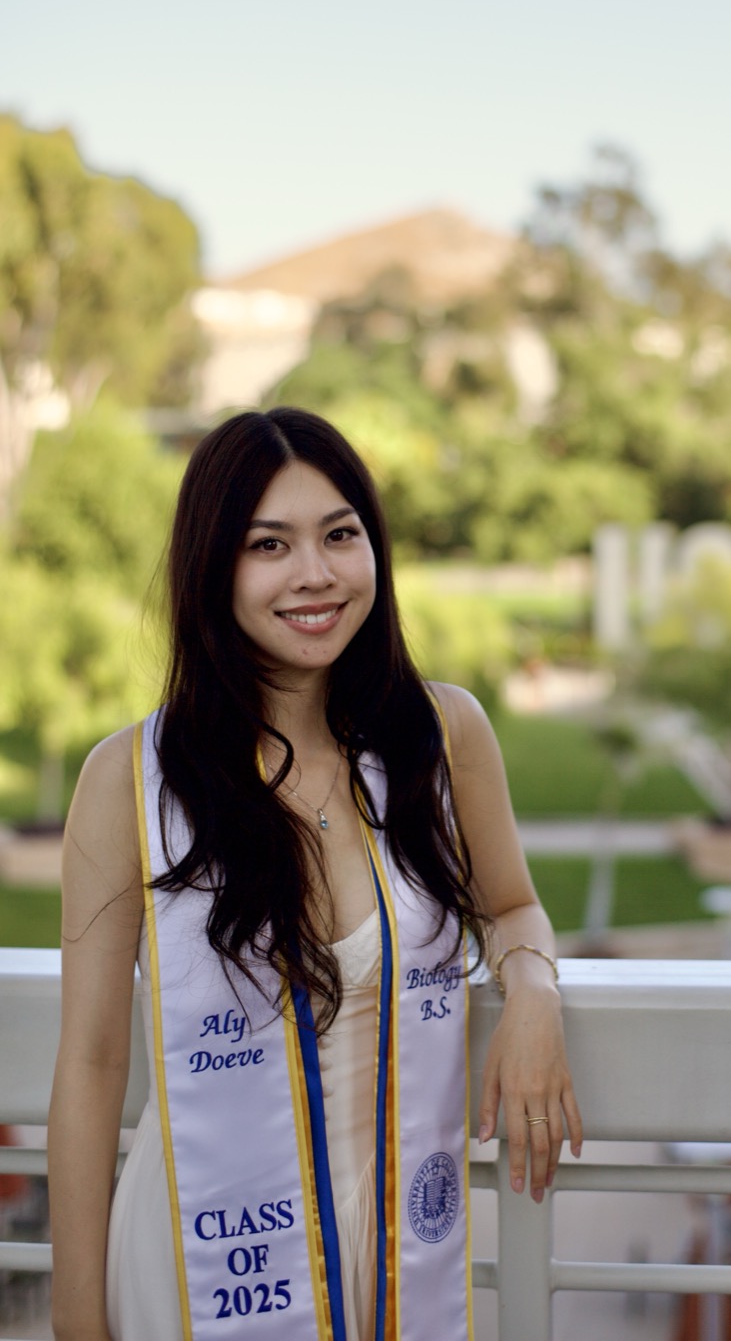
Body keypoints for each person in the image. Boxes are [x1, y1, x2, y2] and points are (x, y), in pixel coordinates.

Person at [48, 406, 582, 1341]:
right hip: (203, 1255)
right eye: (270, 545)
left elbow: (513, 906)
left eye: (341, 535)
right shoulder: (131, 782)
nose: (316, 574)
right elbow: (92, 1063)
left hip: (394, 1239)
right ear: (213, 569)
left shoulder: (441, 736)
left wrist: (532, 990)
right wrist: (75, 1320)